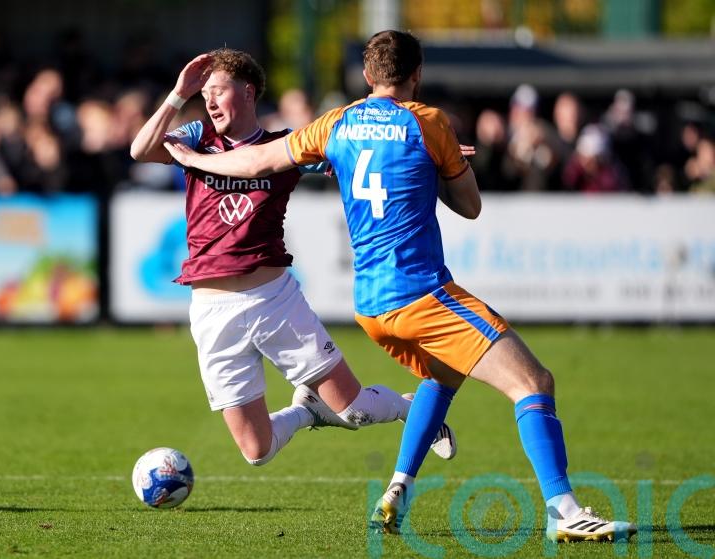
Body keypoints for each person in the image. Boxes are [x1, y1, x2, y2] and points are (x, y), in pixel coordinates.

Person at [164, 32, 637, 543]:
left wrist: (195, 161)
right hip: (421, 293)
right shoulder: (429, 122)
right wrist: (446, 161)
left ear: (367, 77)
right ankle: (564, 511)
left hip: (370, 306)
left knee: (443, 374)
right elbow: (471, 206)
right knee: (534, 383)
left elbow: (256, 162)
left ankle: (398, 489)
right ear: (417, 74)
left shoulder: (335, 123)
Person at [130, 48, 455, 470]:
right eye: (204, 93)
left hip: (273, 301)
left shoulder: (284, 149)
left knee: (353, 411)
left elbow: (359, 154)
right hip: (211, 311)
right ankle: (307, 412)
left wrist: (437, 154)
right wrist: (178, 93)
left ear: (248, 93)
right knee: (256, 451)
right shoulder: (196, 138)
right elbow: (140, 150)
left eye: (218, 91)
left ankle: (411, 409)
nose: (208, 102)